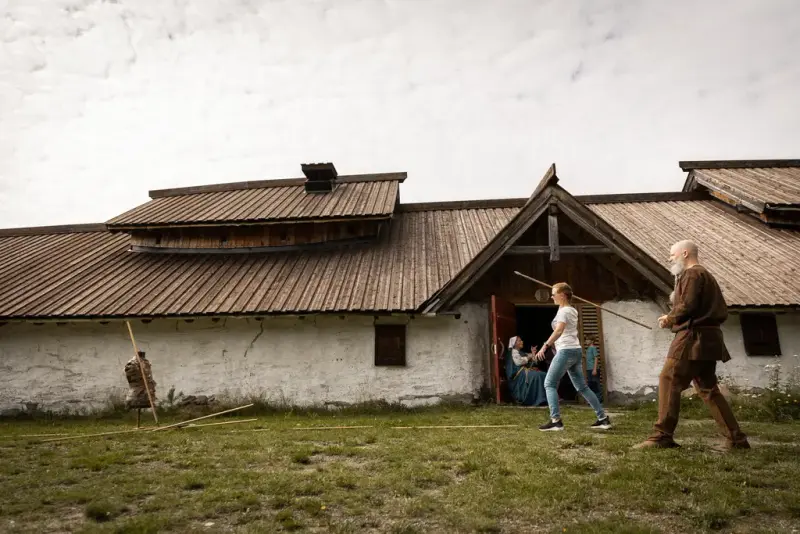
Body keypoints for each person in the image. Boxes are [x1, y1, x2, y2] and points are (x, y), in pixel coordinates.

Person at [634, 240, 750, 450]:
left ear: (684, 253)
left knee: (669, 379)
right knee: (708, 389)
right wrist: (672, 316)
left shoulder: (693, 274)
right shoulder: (704, 275)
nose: (669, 259)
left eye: (672, 255)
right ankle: (736, 439)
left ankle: (662, 435)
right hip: (709, 339)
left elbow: (687, 305)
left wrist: (669, 318)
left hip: (692, 337)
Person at [534, 283, 612, 431]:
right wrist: (564, 289)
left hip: (566, 351)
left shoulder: (564, 312)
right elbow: (562, 311)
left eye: (554, 294)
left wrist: (545, 345)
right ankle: (602, 419)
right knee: (582, 387)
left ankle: (556, 420)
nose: (551, 296)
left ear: (562, 295)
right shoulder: (569, 310)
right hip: (575, 350)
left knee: (549, 383)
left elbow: (558, 331)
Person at [505, 336, 547, 406]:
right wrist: (529, 357)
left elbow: (533, 363)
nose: (522, 342)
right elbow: (519, 362)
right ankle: (534, 399)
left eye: (521, 340)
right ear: (514, 344)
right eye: (519, 341)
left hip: (524, 372)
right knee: (537, 376)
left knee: (543, 374)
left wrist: (533, 353)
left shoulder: (521, 353)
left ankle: (543, 399)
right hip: (518, 376)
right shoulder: (513, 352)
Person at [585, 337, 602, 402]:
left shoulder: (593, 348)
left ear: (592, 341)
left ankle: (599, 400)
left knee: (596, 384)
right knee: (591, 385)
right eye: (586, 340)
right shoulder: (588, 349)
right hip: (589, 369)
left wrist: (594, 369)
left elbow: (596, 358)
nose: (586, 341)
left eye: (587, 339)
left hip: (593, 369)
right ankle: (593, 400)